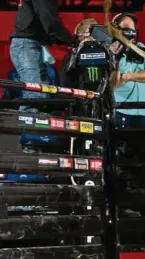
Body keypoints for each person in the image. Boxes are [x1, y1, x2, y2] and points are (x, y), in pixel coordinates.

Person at [10, 0, 78, 153]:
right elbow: (50, 23)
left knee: (41, 91)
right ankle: (28, 143)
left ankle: (35, 141)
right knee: (34, 91)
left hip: (32, 45)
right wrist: (72, 41)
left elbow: (49, 24)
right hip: (26, 45)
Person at [110, 12, 145, 160]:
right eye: (126, 28)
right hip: (121, 111)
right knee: (122, 158)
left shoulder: (141, 47)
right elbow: (113, 83)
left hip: (142, 112)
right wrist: (116, 59)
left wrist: (127, 76)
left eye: (133, 28)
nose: (131, 32)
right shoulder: (109, 50)